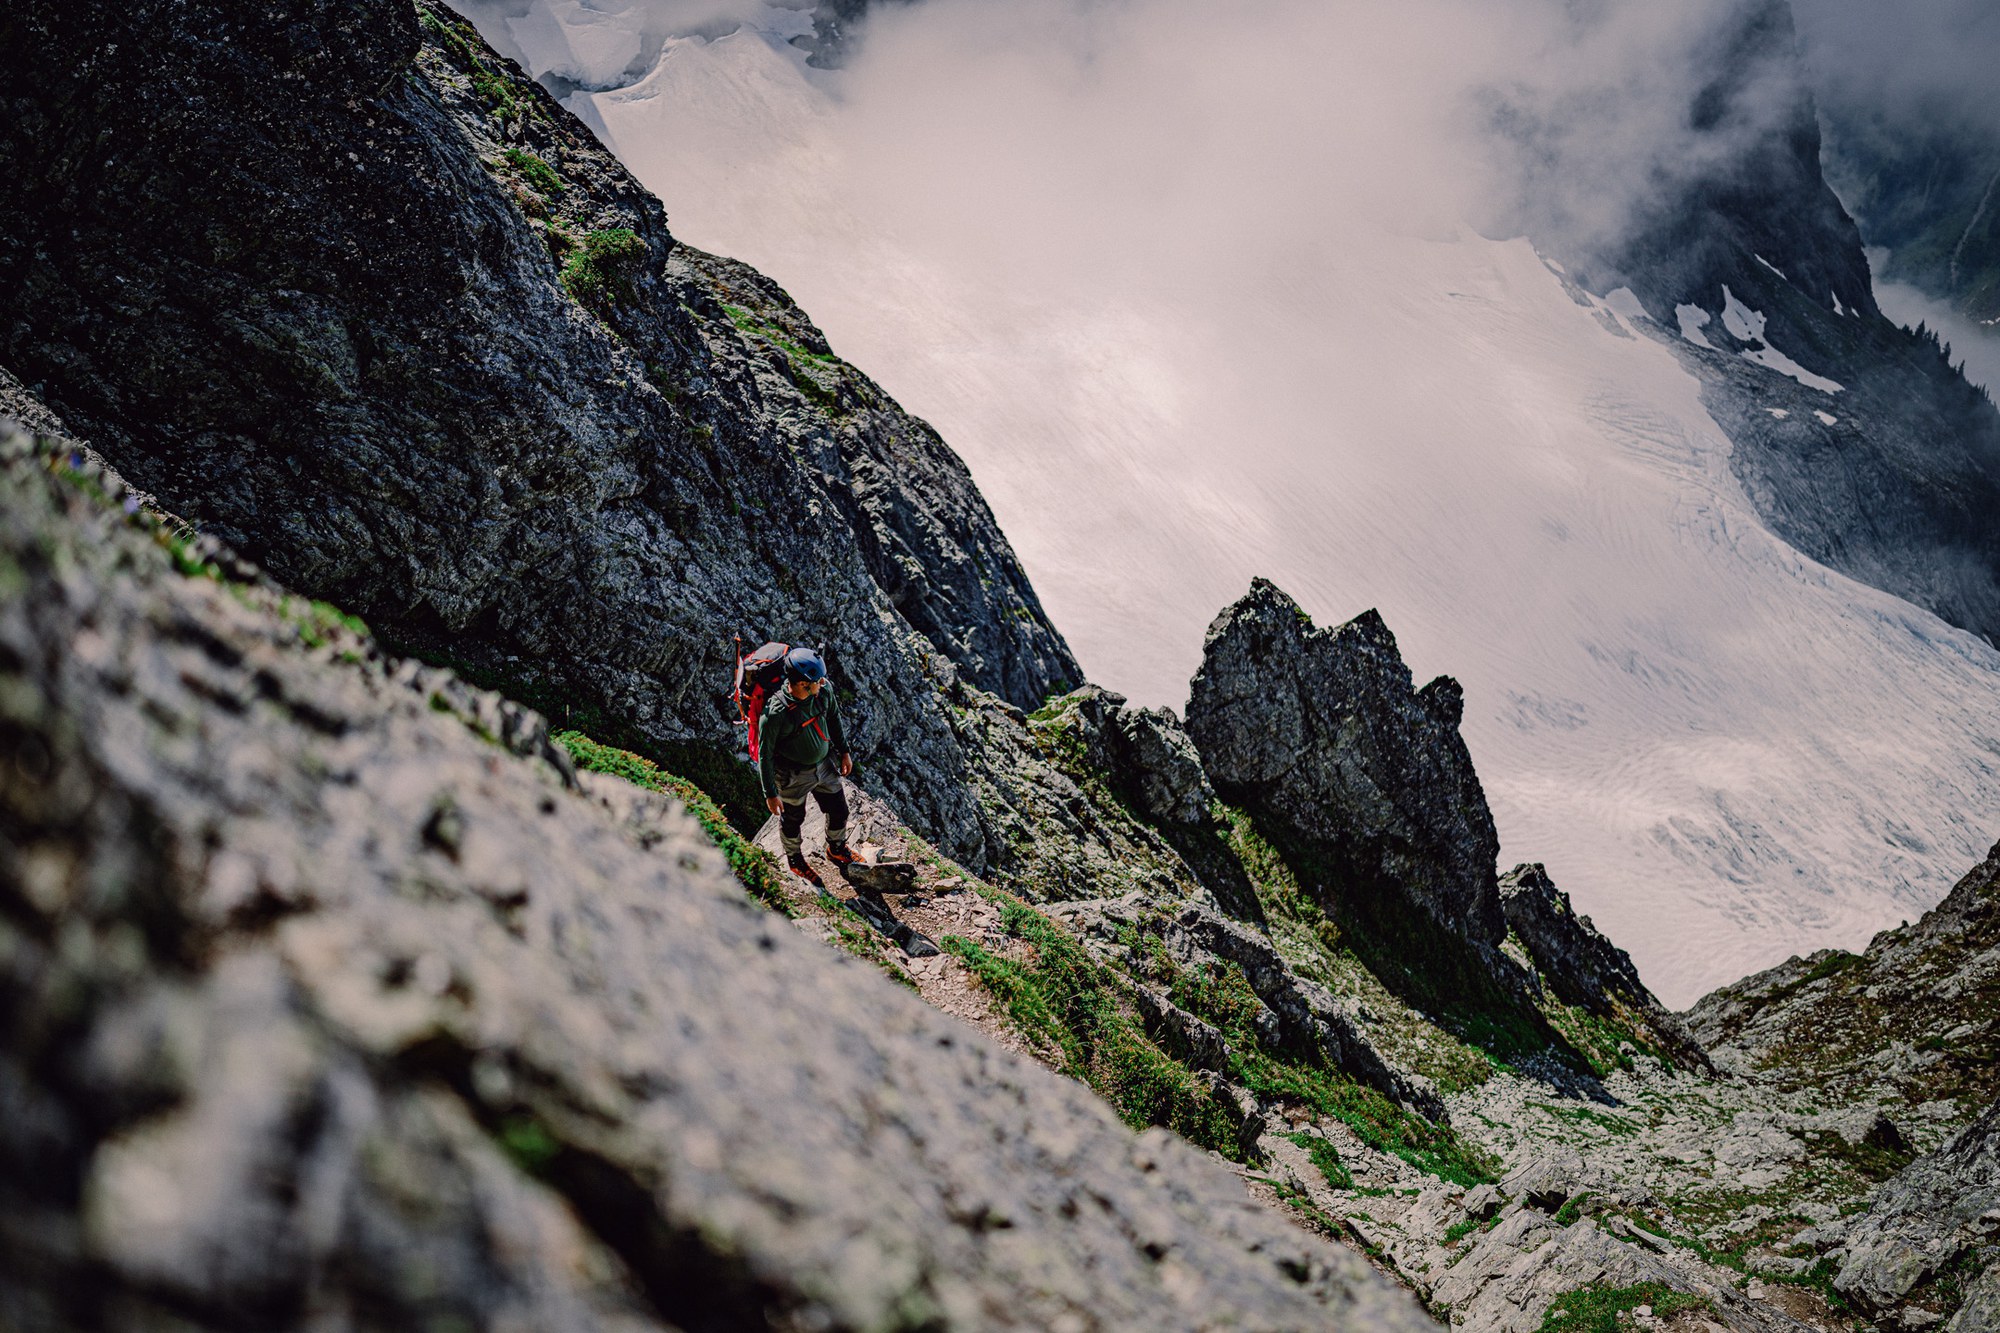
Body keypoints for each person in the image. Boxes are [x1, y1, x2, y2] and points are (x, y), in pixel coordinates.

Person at [758, 647, 855, 883]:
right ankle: (795, 860)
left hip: (823, 766)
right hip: (791, 776)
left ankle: (836, 848)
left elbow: (833, 718)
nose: (822, 683)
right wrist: (770, 793)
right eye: (816, 681)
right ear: (802, 683)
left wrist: (844, 751)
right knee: (793, 820)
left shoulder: (823, 692)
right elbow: (765, 755)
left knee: (839, 810)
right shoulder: (775, 713)